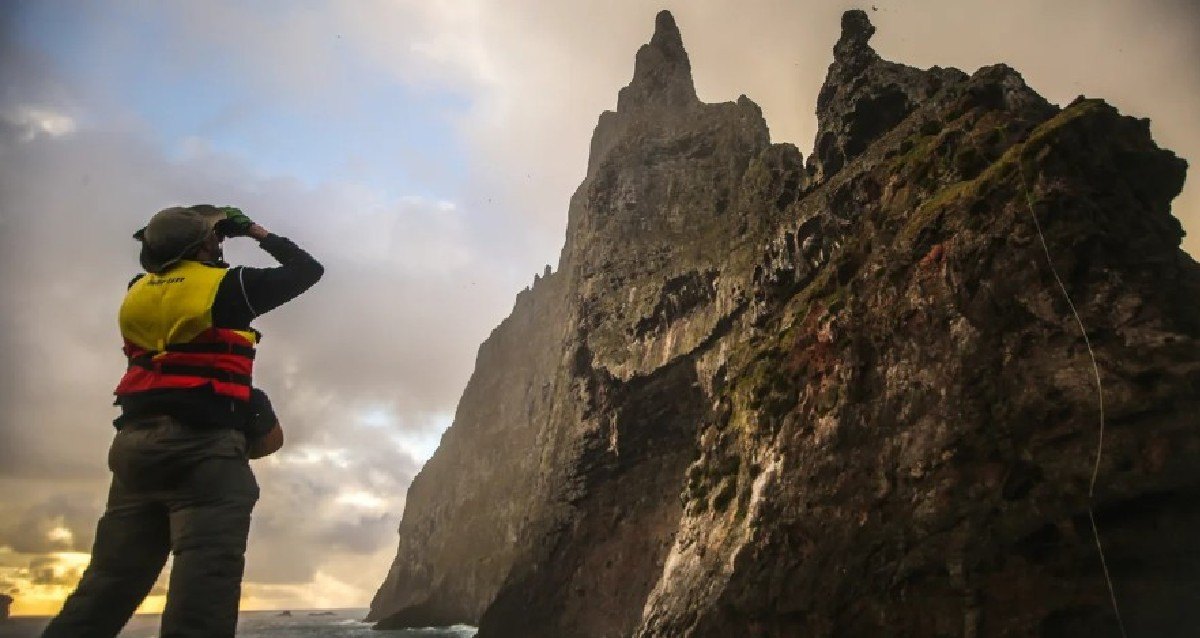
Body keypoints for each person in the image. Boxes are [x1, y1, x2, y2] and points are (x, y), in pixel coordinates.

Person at [41, 205, 323, 638]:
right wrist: (253, 231)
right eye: (213, 237)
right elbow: (308, 270)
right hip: (204, 450)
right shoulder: (229, 287)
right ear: (208, 244)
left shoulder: (136, 290)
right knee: (202, 597)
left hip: (135, 448)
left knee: (107, 586)